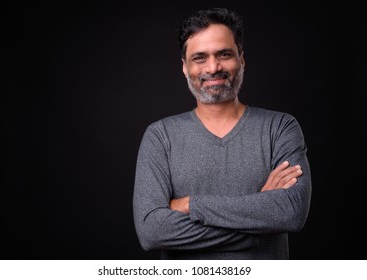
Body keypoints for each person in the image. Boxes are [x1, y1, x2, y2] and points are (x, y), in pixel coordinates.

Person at [133, 7, 312, 260]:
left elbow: (290, 213)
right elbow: (152, 231)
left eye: (224, 54)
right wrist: (260, 219)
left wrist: (191, 204)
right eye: (200, 58)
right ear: (185, 67)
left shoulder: (280, 127)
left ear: (242, 59)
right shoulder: (160, 136)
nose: (213, 67)